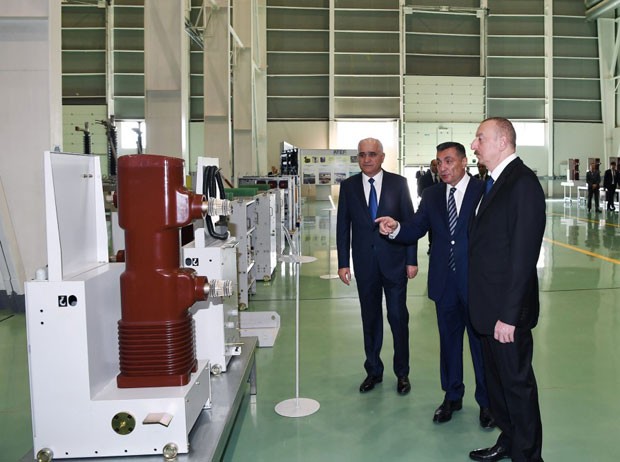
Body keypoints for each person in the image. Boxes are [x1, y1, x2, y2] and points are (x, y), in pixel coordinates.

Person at [376, 142, 494, 429]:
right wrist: (396, 227)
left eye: (449, 161)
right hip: (444, 283)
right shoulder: (431, 195)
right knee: (449, 344)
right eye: (439, 162)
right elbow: (416, 227)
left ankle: (487, 403)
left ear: (464, 162)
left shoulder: (483, 190)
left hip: (476, 284)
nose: (443, 167)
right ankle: (452, 396)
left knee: (480, 347)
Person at [468, 117, 546, 462]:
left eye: (479, 138)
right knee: (498, 386)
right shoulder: (493, 182)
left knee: (517, 387)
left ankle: (527, 455)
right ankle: (509, 440)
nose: (474, 145)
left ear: (502, 141)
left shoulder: (522, 183)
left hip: (505, 314)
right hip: (487, 309)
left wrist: (509, 316)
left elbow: (523, 257)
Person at [337, 137, 418, 395]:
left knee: (398, 317)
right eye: (362, 155)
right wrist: (343, 263)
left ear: (382, 157)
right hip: (365, 265)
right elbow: (343, 226)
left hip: (395, 263)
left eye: (372, 154)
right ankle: (373, 370)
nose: (367, 159)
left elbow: (409, 223)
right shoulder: (349, 187)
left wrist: (412, 259)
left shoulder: (399, 184)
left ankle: (402, 373)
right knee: (370, 318)